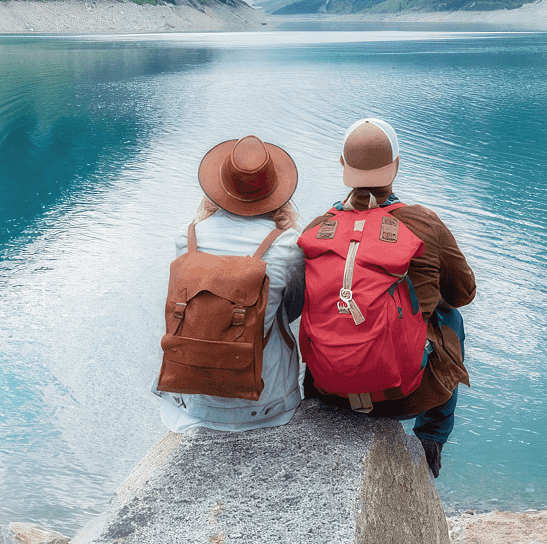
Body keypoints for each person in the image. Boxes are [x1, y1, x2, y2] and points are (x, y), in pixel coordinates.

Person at [300, 118, 476, 477]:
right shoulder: (424, 223)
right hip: (404, 395)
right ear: (396, 165)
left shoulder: (317, 230)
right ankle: (431, 440)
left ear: (342, 166)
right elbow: (463, 294)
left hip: (328, 392)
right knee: (451, 318)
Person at [155, 135, 306, 433]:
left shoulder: (189, 240)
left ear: (220, 188)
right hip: (267, 404)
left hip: (193, 405)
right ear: (275, 191)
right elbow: (293, 309)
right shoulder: (288, 246)